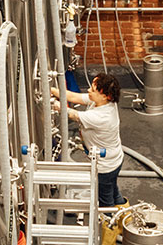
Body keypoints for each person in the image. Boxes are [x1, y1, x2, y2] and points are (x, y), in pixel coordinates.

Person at [50, 73, 125, 207]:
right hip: (115, 159)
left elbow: (71, 113)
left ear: (105, 95)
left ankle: (110, 223)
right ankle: (125, 213)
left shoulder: (102, 116)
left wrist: (53, 103)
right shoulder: (100, 101)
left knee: (105, 201)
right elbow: (74, 96)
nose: (89, 90)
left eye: (93, 89)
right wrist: (51, 89)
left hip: (105, 167)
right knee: (113, 190)